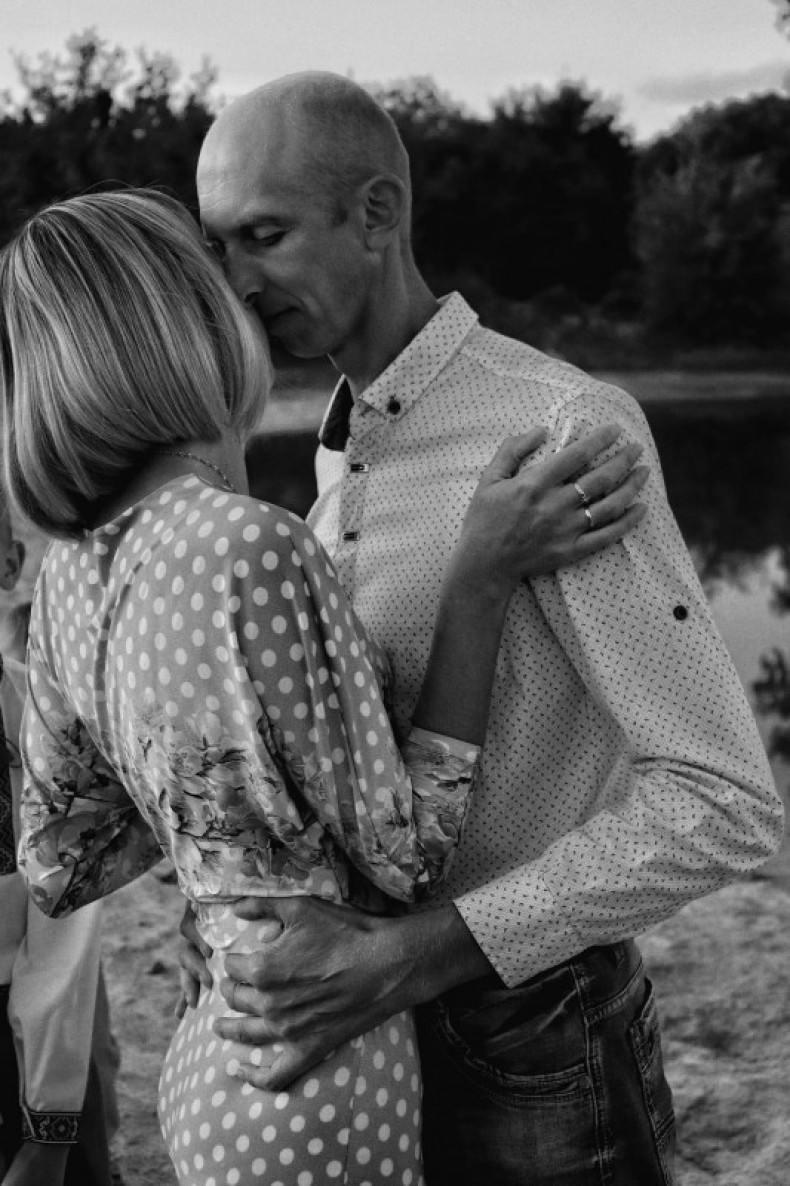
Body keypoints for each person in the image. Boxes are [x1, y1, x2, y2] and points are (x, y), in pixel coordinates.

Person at [187, 72, 784, 1186]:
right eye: (217, 246)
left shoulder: (558, 433)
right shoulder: (337, 449)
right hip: (377, 1038)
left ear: (377, 213)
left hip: (538, 1039)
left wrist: (419, 955)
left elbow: (723, 803)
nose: (234, 283)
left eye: (263, 236)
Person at [1, 189, 643, 1186]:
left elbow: (59, 861)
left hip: (209, 1047)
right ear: (188, 326)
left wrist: (221, 852)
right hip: (318, 1066)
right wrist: (479, 576)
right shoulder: (253, 546)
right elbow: (410, 852)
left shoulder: (71, 575)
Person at [0, 499, 117, 1186]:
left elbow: (64, 926)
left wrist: (49, 1125)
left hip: (30, 1044)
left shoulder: (40, 721)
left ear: (10, 563)